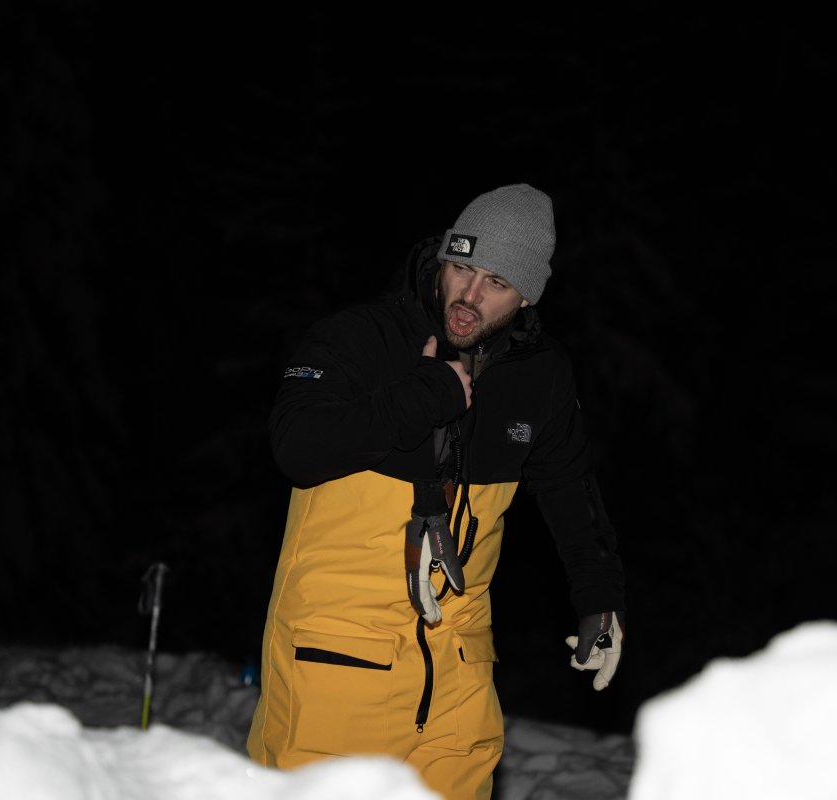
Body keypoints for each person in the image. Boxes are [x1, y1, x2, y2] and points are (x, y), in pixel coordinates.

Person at [246, 183, 627, 799]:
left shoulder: (540, 376)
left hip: (458, 676)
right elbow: (297, 444)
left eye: (496, 283)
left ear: (527, 295)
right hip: (336, 669)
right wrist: (423, 398)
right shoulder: (360, 338)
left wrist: (600, 596)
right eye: (462, 268)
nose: (469, 297)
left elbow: (569, 486)